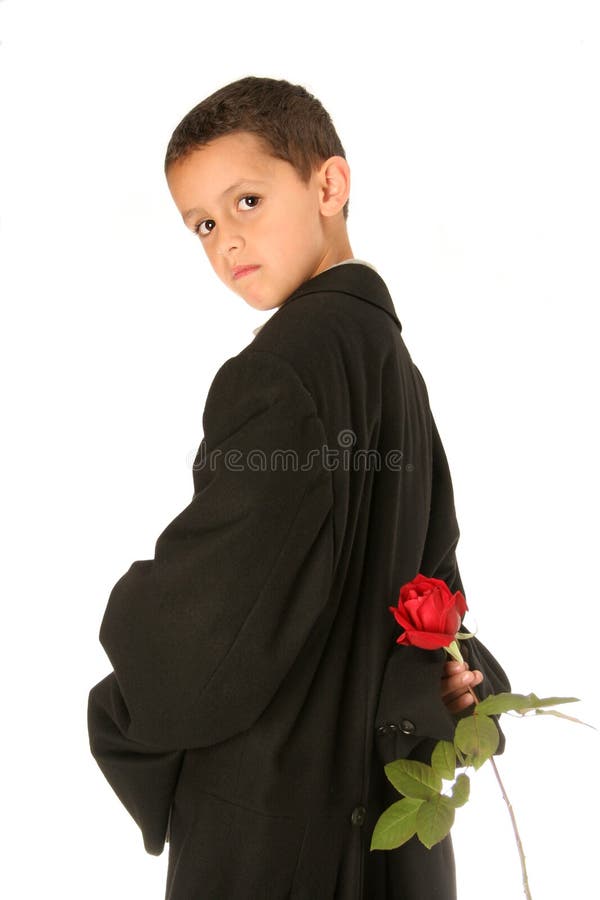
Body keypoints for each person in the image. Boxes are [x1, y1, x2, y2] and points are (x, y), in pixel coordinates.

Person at [87, 75, 510, 900]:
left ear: (329, 184)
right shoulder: (393, 366)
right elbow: (436, 593)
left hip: (278, 837)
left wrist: (122, 709)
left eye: (245, 201)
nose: (224, 242)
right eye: (202, 223)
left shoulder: (282, 367)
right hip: (385, 833)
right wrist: (462, 679)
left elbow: (213, 609)